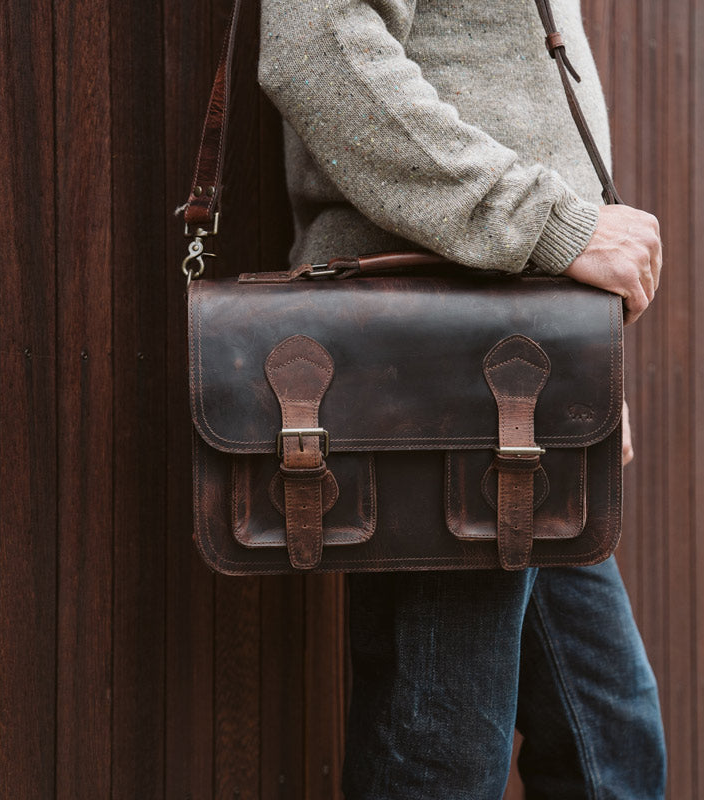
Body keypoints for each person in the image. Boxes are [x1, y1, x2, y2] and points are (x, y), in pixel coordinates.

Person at [257, 1, 666, 797]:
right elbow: (313, 45)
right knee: (444, 757)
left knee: (610, 747)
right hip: (439, 374)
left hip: (526, 369)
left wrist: (581, 358)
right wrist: (550, 226)